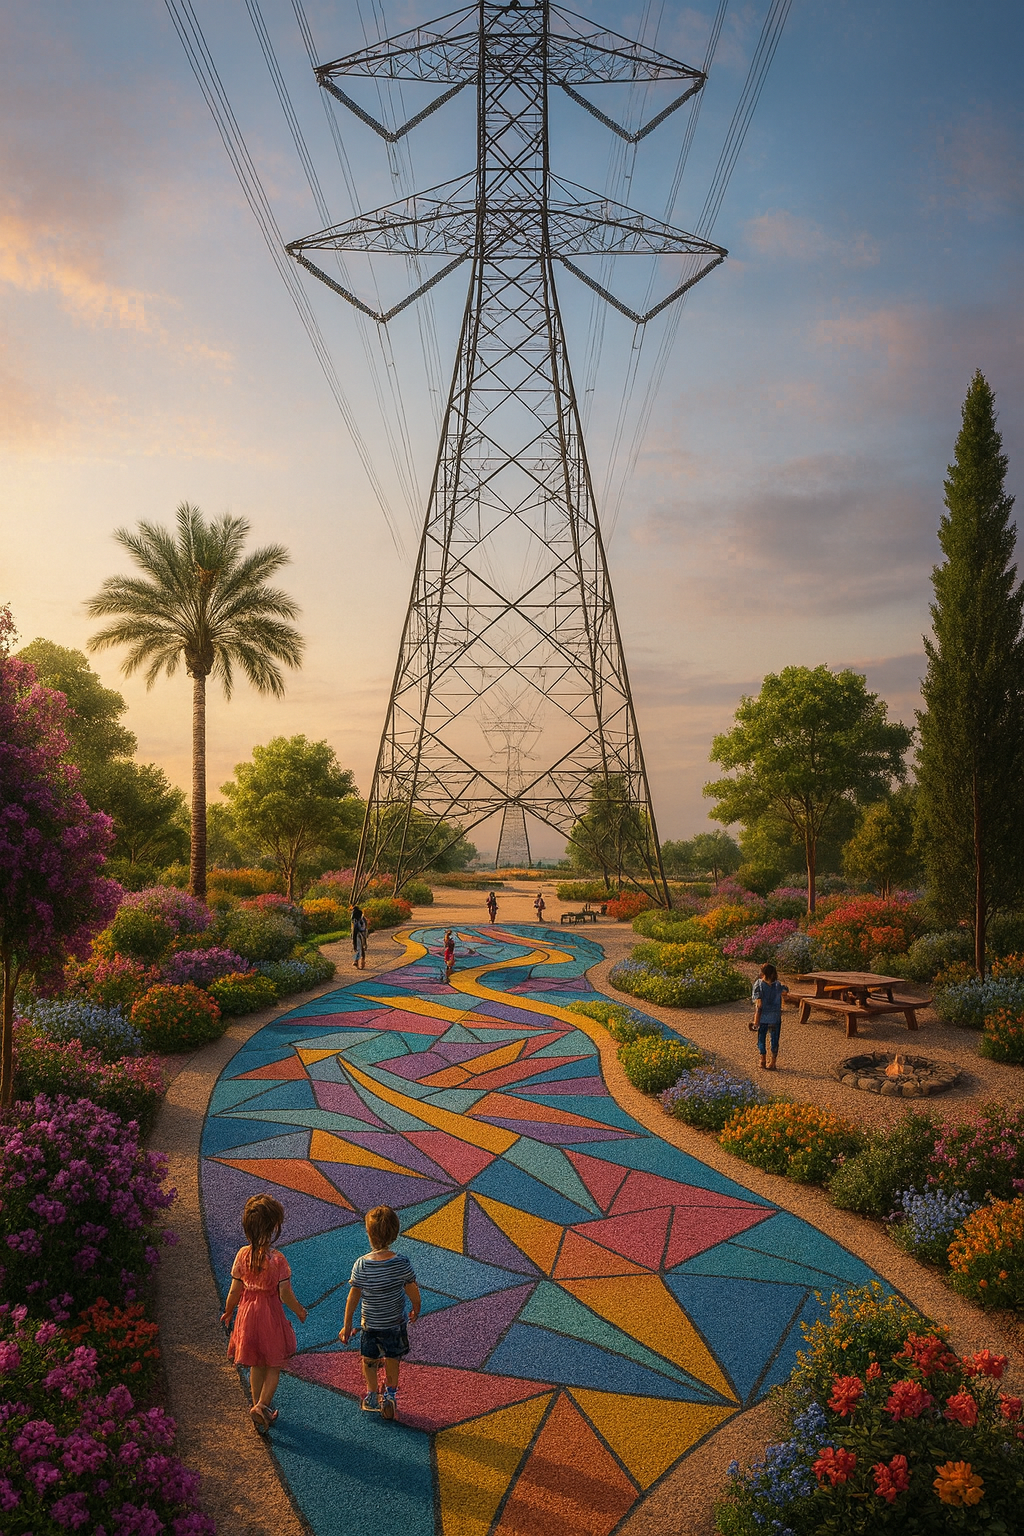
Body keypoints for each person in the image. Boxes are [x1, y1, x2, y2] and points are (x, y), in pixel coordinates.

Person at [221, 1194, 307, 1433]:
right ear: (273, 1228)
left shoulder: (242, 1255)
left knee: (256, 1363)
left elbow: (234, 1289)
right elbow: (284, 1294)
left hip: (247, 1314)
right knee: (273, 1363)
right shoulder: (277, 1260)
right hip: (269, 1314)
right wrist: (299, 1310)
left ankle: (256, 1406)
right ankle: (263, 1405)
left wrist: (229, 1311)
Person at [340, 1205, 420, 1421]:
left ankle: (372, 1394)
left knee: (368, 1359)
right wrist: (416, 1307)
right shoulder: (402, 1262)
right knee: (393, 1358)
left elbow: (353, 1297)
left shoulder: (361, 1265)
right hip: (395, 1323)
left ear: (369, 1234)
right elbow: (412, 1289)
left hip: (371, 1325)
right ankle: (391, 1395)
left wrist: (347, 1324)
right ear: (395, 1233)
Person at [750, 961, 789, 1072]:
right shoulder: (777, 985)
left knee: (761, 1039)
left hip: (763, 1017)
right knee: (774, 1039)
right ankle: (773, 1062)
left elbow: (759, 1004)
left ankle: (762, 1060)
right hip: (775, 1017)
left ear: (763, 973)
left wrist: (756, 1020)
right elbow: (785, 991)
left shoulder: (759, 984)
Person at [351, 905, 368, 969]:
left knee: (358, 949)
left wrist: (353, 941)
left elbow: (353, 932)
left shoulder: (355, 922)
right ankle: (361, 962)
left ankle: (357, 961)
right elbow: (366, 929)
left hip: (357, 936)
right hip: (362, 935)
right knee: (361, 949)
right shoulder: (363, 920)